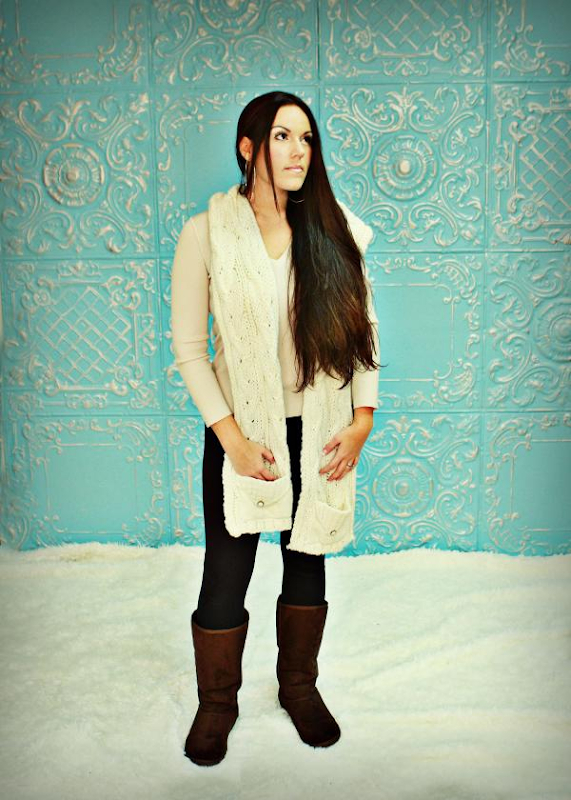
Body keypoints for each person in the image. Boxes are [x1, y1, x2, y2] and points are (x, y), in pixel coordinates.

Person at [170, 91, 380, 768]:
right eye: (283, 136)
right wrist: (230, 439)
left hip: (319, 428)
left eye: (306, 139)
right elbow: (189, 350)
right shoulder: (206, 231)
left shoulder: (332, 228)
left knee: (307, 559)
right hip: (242, 433)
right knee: (225, 571)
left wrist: (362, 421)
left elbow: (364, 332)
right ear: (248, 146)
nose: (298, 151)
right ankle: (216, 703)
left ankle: (299, 688)